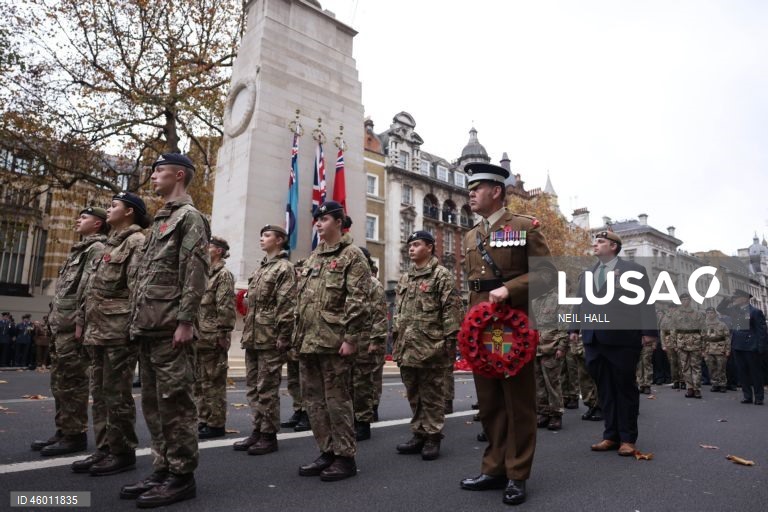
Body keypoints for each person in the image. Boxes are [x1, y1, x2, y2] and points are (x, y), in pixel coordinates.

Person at [459, 163, 557, 506]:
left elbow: (548, 275)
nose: (470, 192)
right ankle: (493, 468)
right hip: (481, 327)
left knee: (518, 403)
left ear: (496, 191)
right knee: (489, 402)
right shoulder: (471, 235)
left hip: (512, 325)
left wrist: (510, 289)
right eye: (469, 188)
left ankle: (517, 474)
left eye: (477, 187)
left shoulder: (523, 227)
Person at [121, 153, 210, 508]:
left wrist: (186, 320)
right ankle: (163, 467)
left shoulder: (190, 218)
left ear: (178, 175)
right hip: (149, 325)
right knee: (155, 406)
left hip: (172, 324)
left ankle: (181, 476)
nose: (153, 176)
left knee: (176, 405)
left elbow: (194, 270)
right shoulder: (159, 221)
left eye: (159, 171)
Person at [71, 191, 148, 476]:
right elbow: (91, 289)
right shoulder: (109, 246)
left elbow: (137, 289)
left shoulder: (136, 242)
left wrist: (133, 329)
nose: (108, 209)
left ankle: (122, 451)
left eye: (114, 206)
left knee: (117, 395)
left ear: (129, 212)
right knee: (100, 393)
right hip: (98, 329)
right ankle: (104, 448)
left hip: (118, 331)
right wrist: (83, 320)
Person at [294, 201, 371, 482]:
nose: (318, 223)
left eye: (324, 218)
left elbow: (358, 301)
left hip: (335, 341)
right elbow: (303, 300)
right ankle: (326, 451)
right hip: (309, 341)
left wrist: (350, 338)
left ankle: (345, 457)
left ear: (339, 222)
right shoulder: (314, 258)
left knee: (337, 401)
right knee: (313, 402)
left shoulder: (352, 255)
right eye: (317, 219)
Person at [569, 230, 657, 457]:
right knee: (605, 389)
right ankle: (610, 435)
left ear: (614, 247)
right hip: (594, 339)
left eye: (600, 242)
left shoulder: (633, 270)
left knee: (624, 388)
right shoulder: (587, 273)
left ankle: (628, 438)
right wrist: (573, 328)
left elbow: (645, 302)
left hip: (622, 339)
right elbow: (579, 303)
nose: (595, 245)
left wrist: (649, 331)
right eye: (594, 242)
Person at [32, 207, 108, 456]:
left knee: (73, 382)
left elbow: (88, 288)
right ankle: (63, 430)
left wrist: (81, 323)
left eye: (84, 218)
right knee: (60, 382)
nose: (78, 220)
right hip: (61, 326)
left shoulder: (96, 249)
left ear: (98, 224)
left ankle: (75, 434)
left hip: (73, 327)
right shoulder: (82, 249)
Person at [393, 231, 462, 460]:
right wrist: (396, 340)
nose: (411, 249)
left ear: (430, 248)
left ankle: (433, 436)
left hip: (431, 347)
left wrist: (449, 344)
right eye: (410, 245)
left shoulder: (441, 276)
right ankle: (419, 433)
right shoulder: (405, 278)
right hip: (407, 346)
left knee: (432, 395)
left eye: (416, 244)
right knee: (413, 393)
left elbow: (451, 312)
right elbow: (399, 312)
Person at [234, 224, 296, 455]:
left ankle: (269, 435)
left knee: (267, 387)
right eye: (261, 235)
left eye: (267, 235)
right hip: (253, 335)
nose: (262, 239)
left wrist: (283, 335)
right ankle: (258, 430)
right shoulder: (261, 269)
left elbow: (287, 305)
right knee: (253, 387)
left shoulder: (284, 268)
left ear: (279, 240)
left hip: (270, 337)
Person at [195, 236, 236, 440]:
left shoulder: (223, 275)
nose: (205, 249)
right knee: (200, 382)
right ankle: (204, 419)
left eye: (209, 246)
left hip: (213, 335)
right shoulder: (204, 273)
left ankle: (216, 423)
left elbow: (226, 306)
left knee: (214, 382)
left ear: (218, 251)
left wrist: (223, 332)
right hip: (199, 335)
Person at [351, 247, 388, 441]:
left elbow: (380, 315)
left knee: (364, 383)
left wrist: (376, 340)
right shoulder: (350, 281)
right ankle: (354, 417)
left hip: (366, 340)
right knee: (351, 383)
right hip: (349, 340)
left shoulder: (372, 284)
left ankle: (364, 421)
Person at [717, 289, 768, 405]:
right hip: (737, 345)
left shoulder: (755, 312)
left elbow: (762, 332)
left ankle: (759, 397)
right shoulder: (734, 310)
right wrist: (726, 299)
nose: (734, 299)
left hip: (751, 346)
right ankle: (747, 396)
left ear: (745, 299)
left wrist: (761, 348)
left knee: (755, 373)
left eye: (737, 297)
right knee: (742, 372)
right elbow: (720, 309)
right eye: (734, 298)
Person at [532, 290, 568, 431]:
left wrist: (562, 347)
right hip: (535, 348)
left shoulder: (558, 300)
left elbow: (564, 326)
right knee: (538, 383)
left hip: (551, 348)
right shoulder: (533, 301)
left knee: (552, 383)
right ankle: (543, 412)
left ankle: (555, 414)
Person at [669, 293, 705, 398]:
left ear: (690, 301)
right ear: (680, 301)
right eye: (683, 299)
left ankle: (697, 389)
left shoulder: (697, 313)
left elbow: (703, 329)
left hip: (695, 342)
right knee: (685, 367)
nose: (685, 301)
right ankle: (689, 388)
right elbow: (672, 330)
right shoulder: (676, 314)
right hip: (682, 343)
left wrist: (703, 345)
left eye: (687, 299)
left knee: (696, 366)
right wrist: (674, 344)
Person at [703, 306, 730, 392]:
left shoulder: (722, 324)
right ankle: (715, 384)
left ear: (715, 314)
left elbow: (727, 338)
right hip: (708, 349)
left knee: (721, 368)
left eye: (711, 313)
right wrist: (702, 350)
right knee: (711, 368)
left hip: (720, 349)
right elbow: (702, 338)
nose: (710, 315)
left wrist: (728, 349)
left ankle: (722, 384)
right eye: (708, 313)